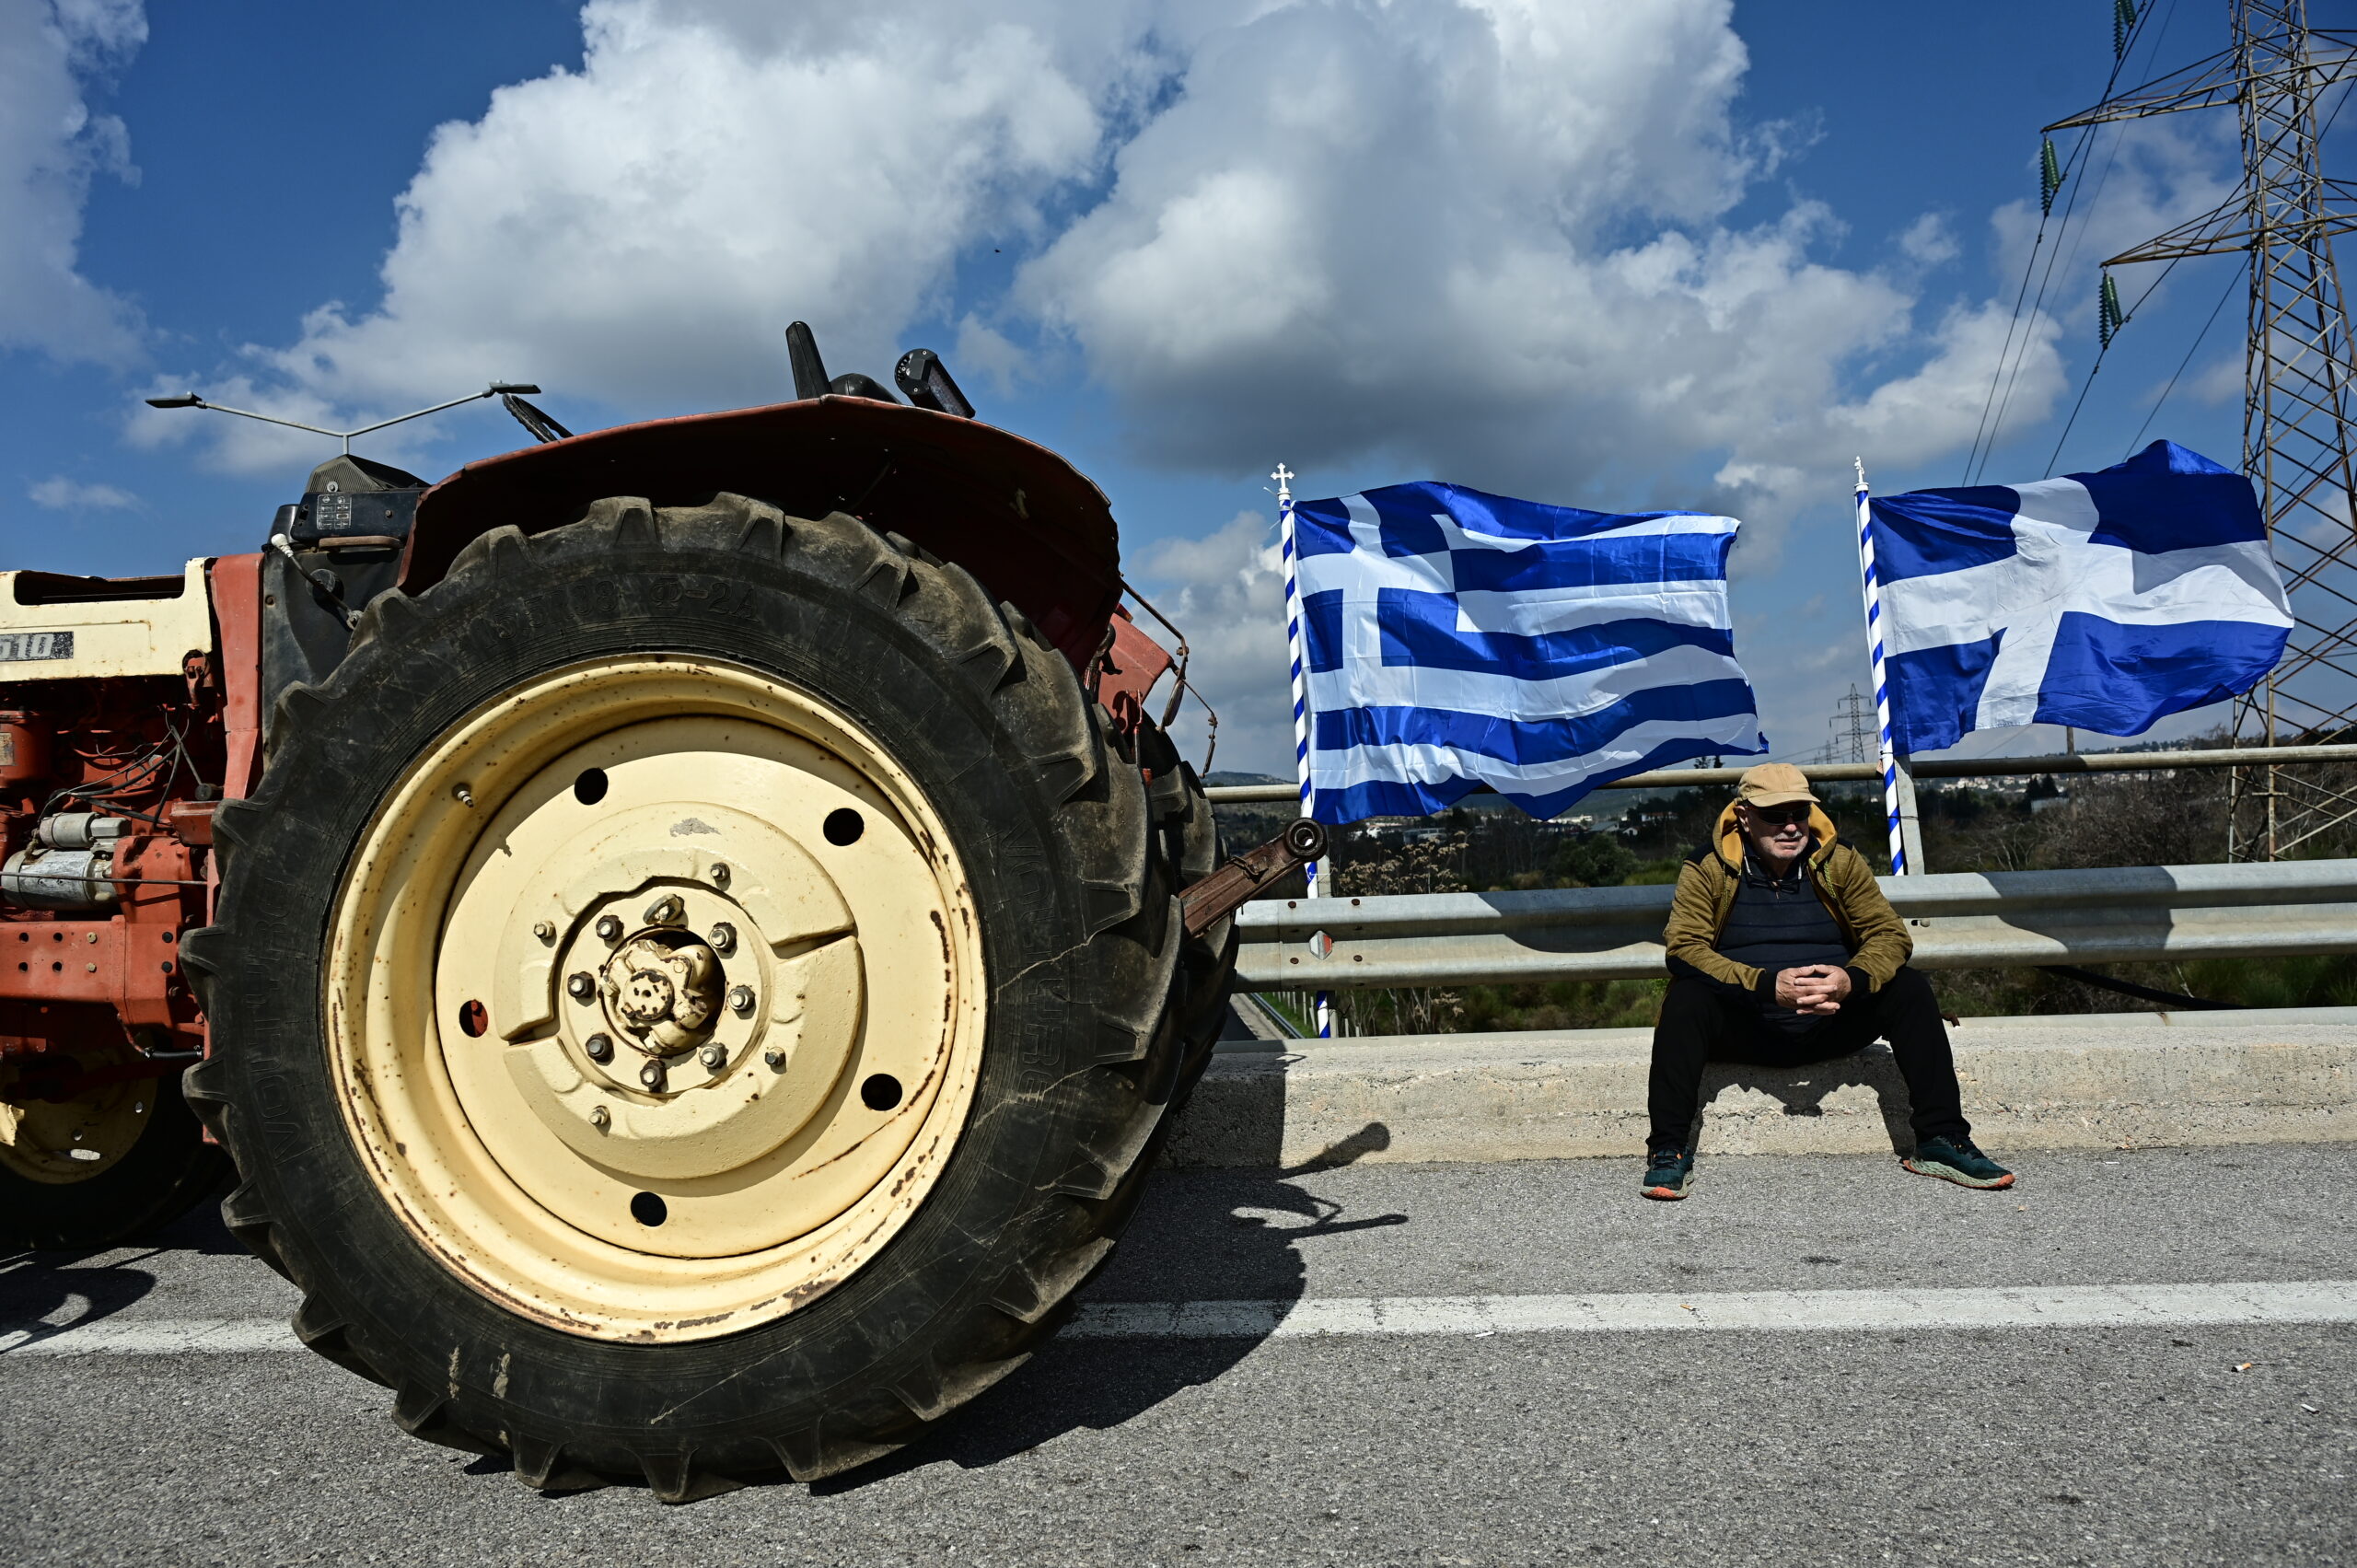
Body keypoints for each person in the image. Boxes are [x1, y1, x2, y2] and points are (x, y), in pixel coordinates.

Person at [1640, 761, 2014, 1200]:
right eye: (1774, 816)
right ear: (1743, 816)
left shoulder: (1838, 860)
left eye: (1799, 812)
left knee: (1909, 988)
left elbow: (1889, 934)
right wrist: (1766, 986)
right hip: (1746, 1023)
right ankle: (1668, 1149)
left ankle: (1941, 1139)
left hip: (1831, 1021)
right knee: (1686, 998)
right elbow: (1684, 949)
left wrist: (1850, 980)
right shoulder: (1707, 867)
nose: (1790, 826)